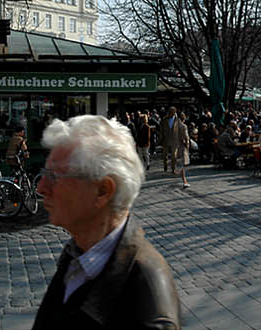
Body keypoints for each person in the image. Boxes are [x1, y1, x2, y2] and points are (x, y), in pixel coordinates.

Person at [32, 115, 180, 329]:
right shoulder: (79, 252)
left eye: (55, 176)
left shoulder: (147, 302)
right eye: (44, 173)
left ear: (103, 191)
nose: (41, 187)